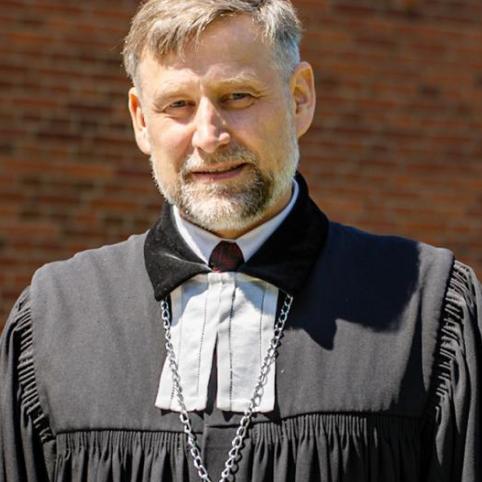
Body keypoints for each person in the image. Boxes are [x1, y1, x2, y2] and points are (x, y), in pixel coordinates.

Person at [1, 0, 481, 480]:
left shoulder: (426, 311)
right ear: (141, 120)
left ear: (300, 98)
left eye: (237, 96)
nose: (209, 137)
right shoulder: (54, 318)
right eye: (177, 105)